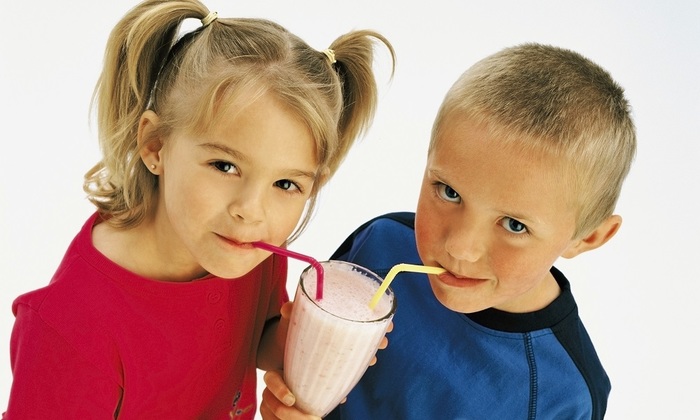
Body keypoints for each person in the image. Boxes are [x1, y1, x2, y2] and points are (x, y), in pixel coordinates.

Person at [2, 0, 395, 418]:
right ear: (155, 146)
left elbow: (250, 337)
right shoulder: (71, 329)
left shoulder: (245, 248)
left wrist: (295, 342)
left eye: (286, 184)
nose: (251, 210)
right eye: (225, 166)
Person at [261, 43, 636, 420]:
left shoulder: (566, 395)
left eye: (514, 225)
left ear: (588, 237)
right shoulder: (381, 246)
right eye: (449, 192)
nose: (460, 248)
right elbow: (291, 365)